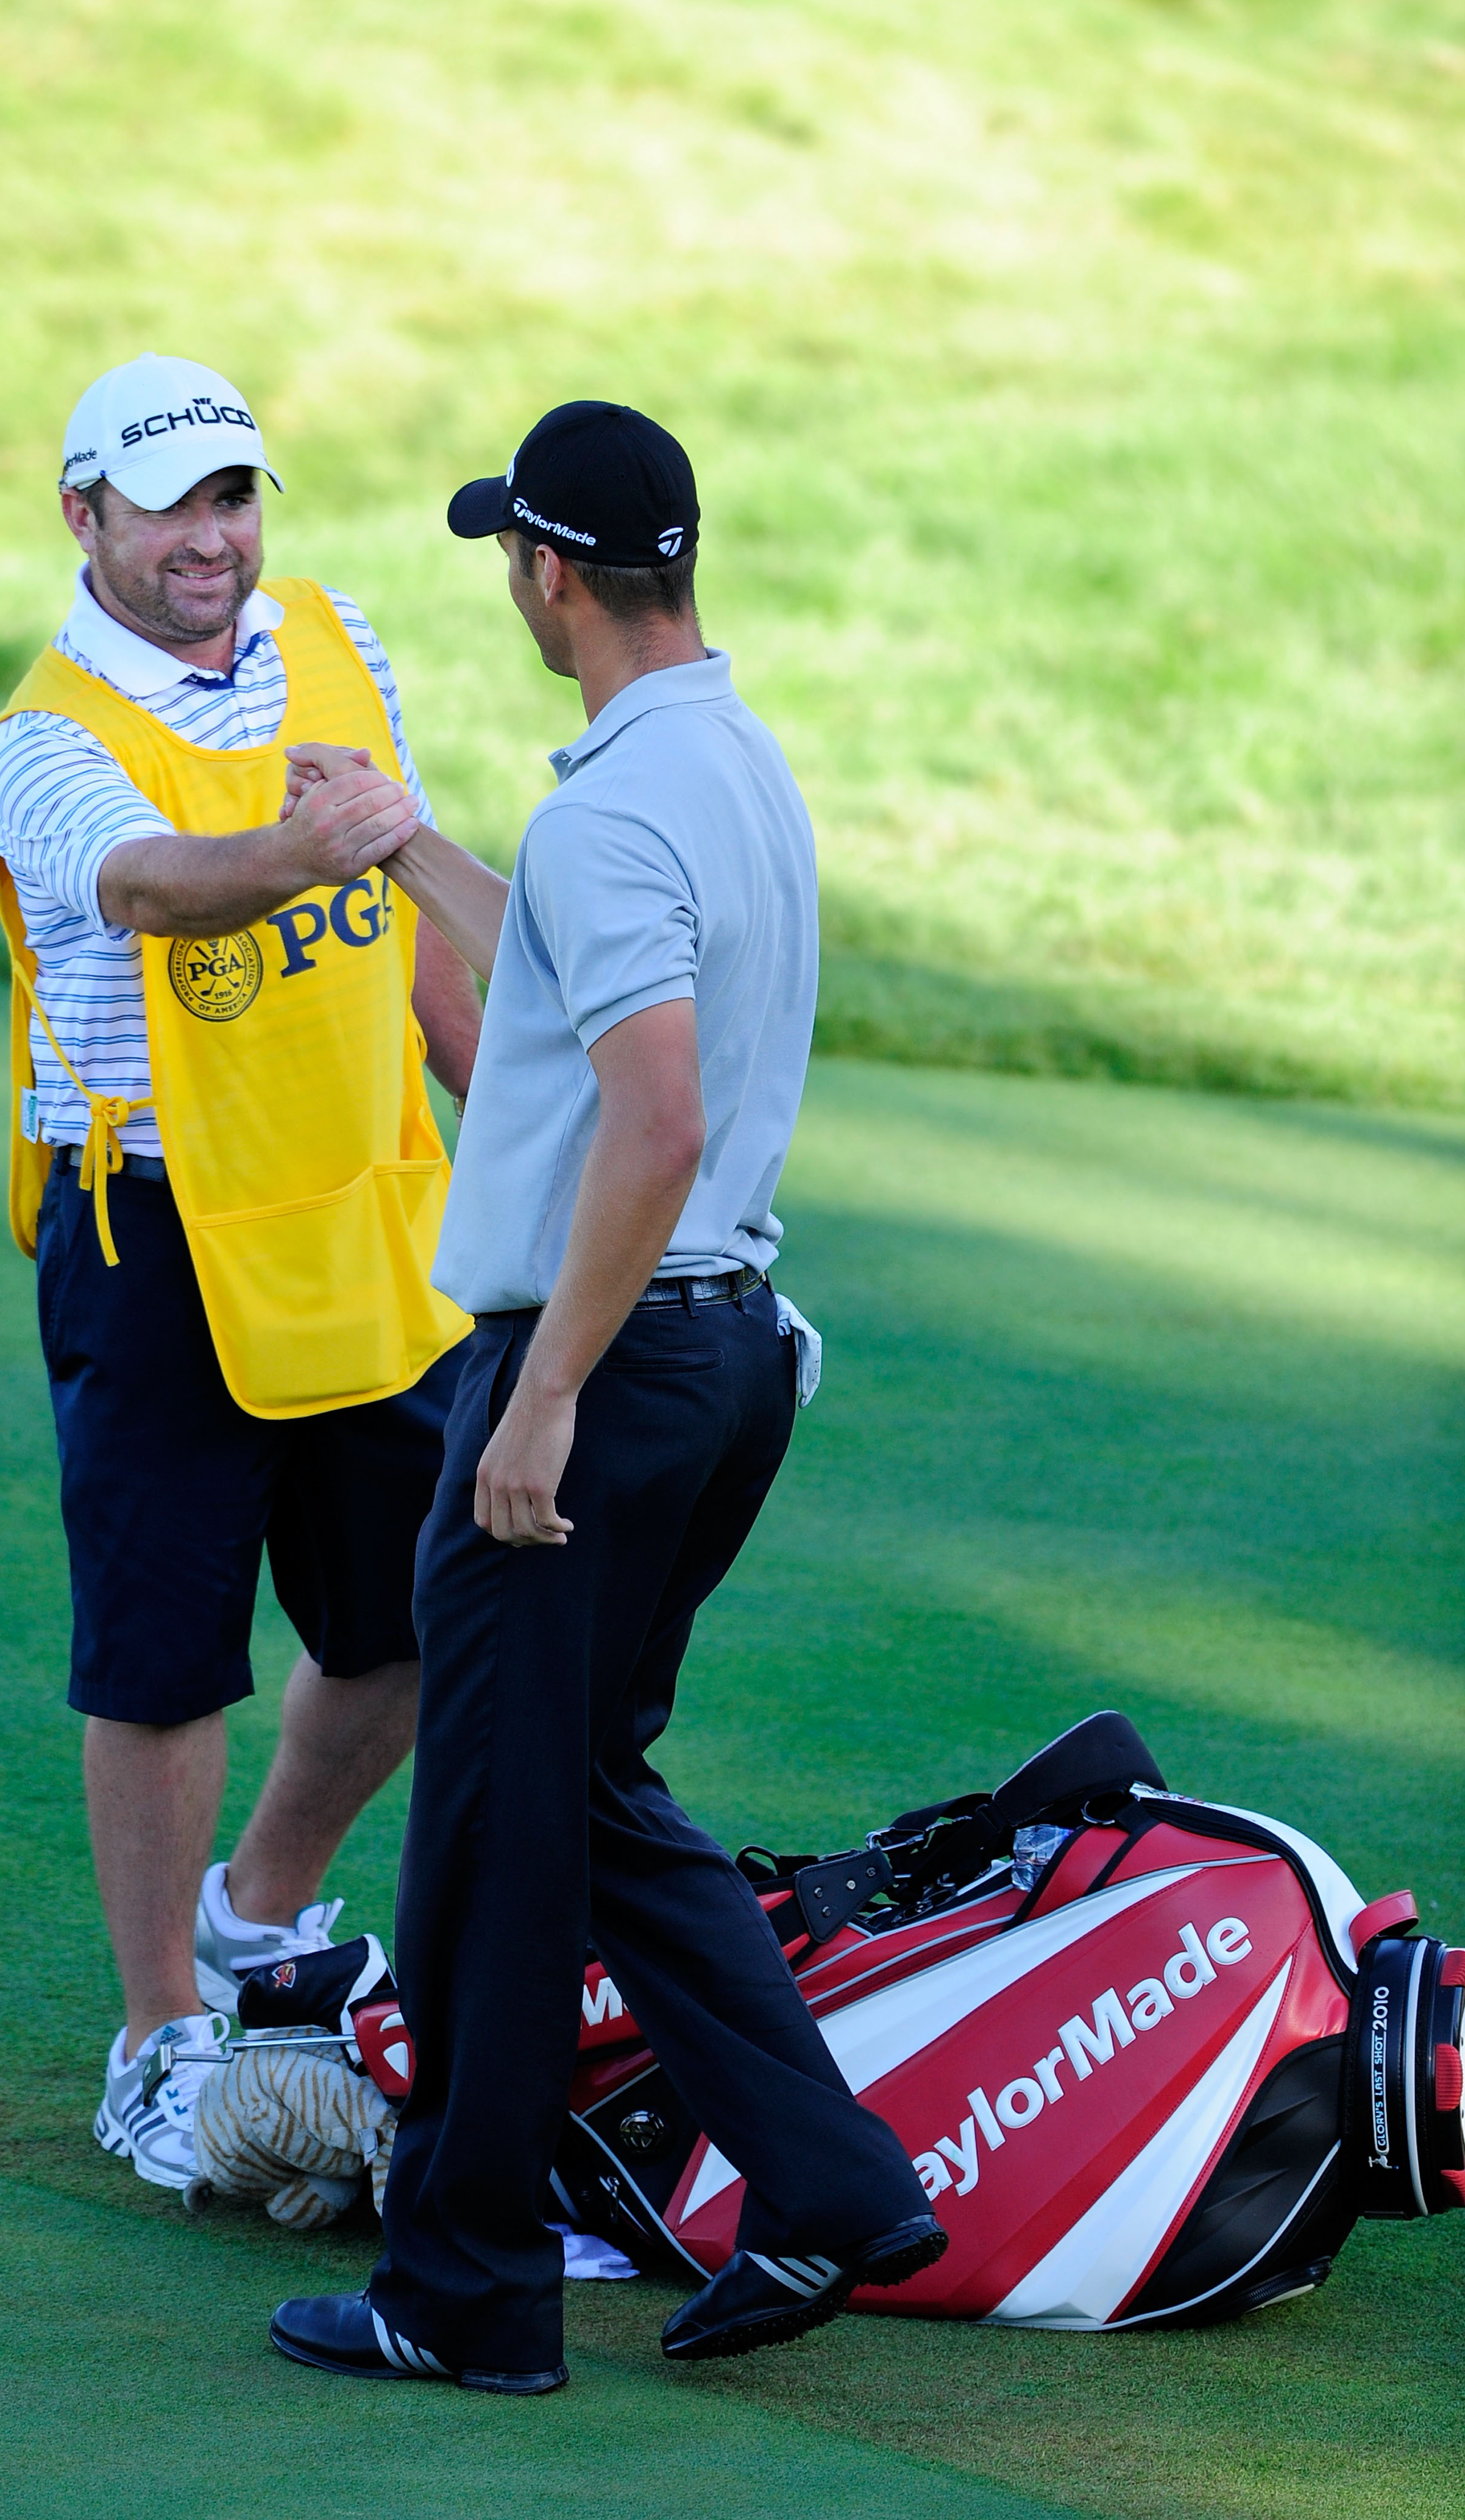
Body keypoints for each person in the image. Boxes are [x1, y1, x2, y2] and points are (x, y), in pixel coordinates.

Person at [268, 402, 945, 2394]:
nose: (508, 583)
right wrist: (409, 847)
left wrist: (543, 1391)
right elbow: (581, 982)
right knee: (580, 1793)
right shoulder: (727, 761)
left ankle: (462, 2290)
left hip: (610, 1359)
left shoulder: (619, 809)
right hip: (724, 1353)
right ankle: (835, 2186)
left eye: (511, 557)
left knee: (484, 1831)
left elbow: (653, 1116)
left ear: (551, 574)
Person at [0, 354, 478, 2194]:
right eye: (171, 504)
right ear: (84, 515)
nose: (214, 538)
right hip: (150, 1228)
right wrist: (303, 844)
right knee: (167, 1657)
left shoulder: (339, 644)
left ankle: (263, 1911)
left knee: (413, 1613)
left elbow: (409, 937)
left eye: (235, 496)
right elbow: (155, 888)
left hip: (352, 1207)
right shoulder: (44, 738)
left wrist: (520, 1116)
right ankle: (161, 2036)